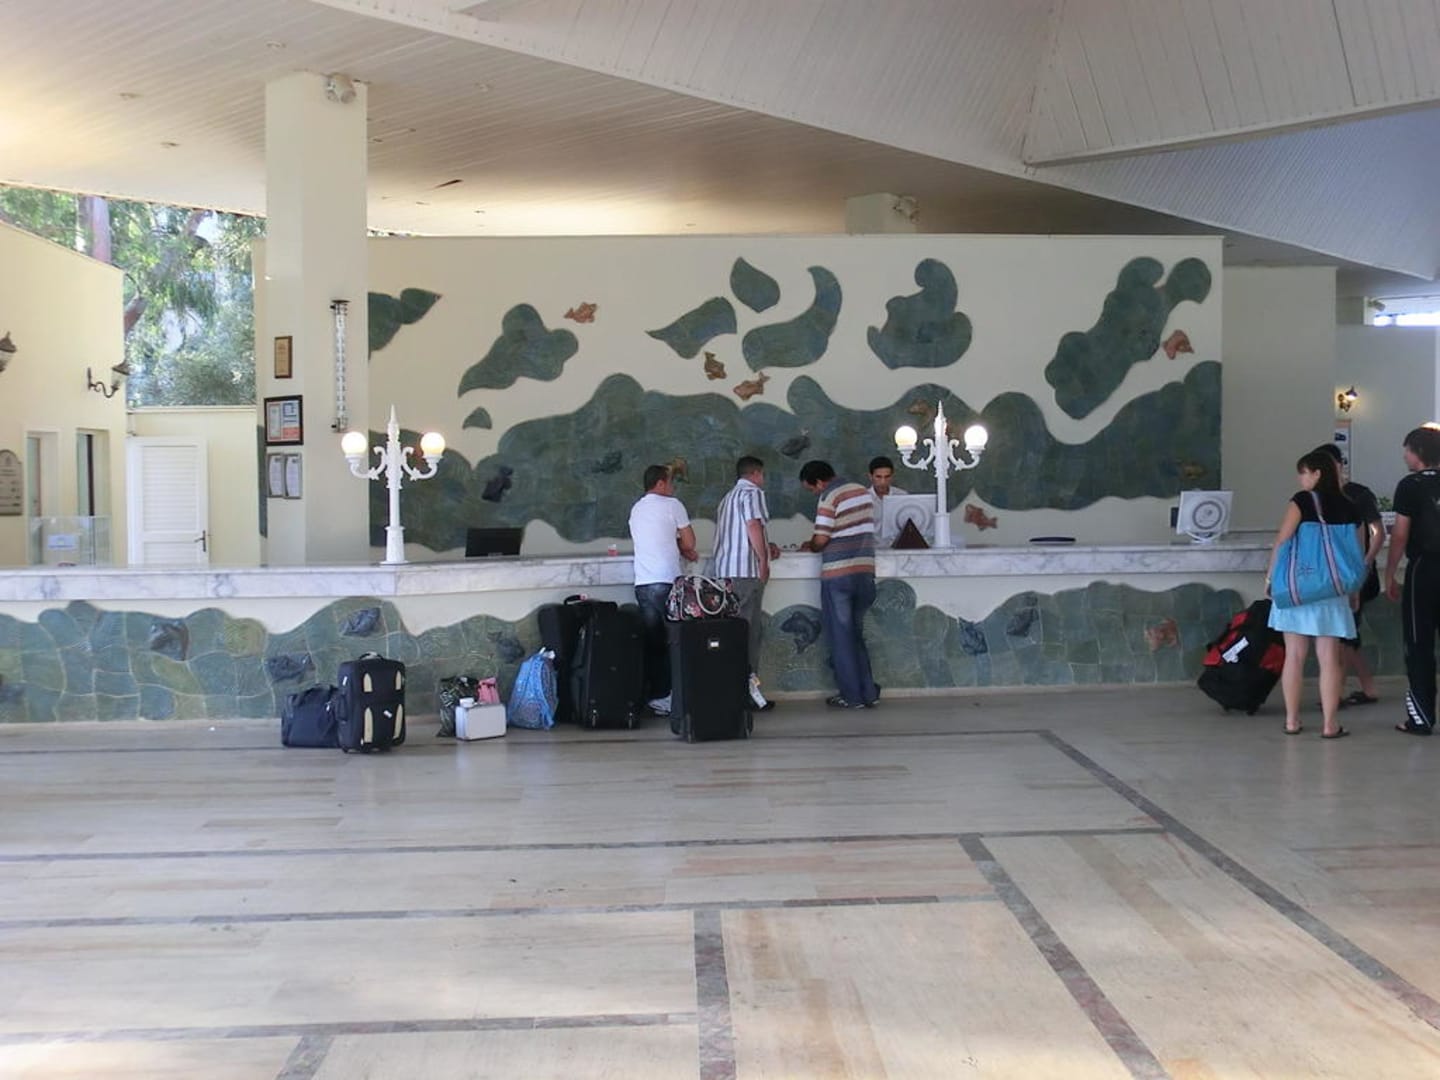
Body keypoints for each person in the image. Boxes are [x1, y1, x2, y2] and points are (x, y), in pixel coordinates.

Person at [1265, 449, 1365, 739]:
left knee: (1294, 656)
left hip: (1298, 587)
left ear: (1317, 474)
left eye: (1304, 473)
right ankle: (1330, 724)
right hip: (1332, 590)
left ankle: (1292, 721)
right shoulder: (1350, 506)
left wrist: (1271, 578)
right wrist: (1354, 590)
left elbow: (1282, 540)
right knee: (1329, 658)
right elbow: (1356, 554)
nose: (1301, 479)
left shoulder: (1302, 500)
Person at [799, 460, 880, 709]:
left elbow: (822, 538)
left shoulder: (829, 496)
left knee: (841, 638)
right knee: (856, 635)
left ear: (819, 482)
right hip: (865, 571)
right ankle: (869, 693)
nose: (815, 493)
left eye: (811, 489)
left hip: (839, 574)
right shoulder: (862, 491)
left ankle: (851, 696)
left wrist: (810, 545)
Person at [1313, 443, 1384, 707]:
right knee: (1347, 635)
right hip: (1335, 575)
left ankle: (1337, 693)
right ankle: (1366, 687)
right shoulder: (1318, 497)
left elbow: (1378, 532)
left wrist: (1365, 564)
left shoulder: (1358, 494)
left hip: (1356, 576)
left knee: (1344, 635)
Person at [628, 464, 697, 716]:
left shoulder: (636, 509)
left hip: (643, 583)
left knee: (654, 643)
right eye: (670, 482)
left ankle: (658, 696)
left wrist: (674, 543)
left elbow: (654, 539)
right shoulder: (672, 505)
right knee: (676, 641)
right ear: (660, 483)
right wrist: (682, 547)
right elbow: (690, 542)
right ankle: (675, 696)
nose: (673, 487)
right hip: (667, 582)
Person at [712, 456, 780, 712]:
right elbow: (752, 525)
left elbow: (738, 533)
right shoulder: (752, 493)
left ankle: (730, 690)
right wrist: (763, 559)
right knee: (748, 635)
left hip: (726, 574)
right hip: (746, 573)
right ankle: (747, 693)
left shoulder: (727, 498)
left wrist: (767, 544)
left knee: (732, 633)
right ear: (756, 474)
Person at [1385, 426, 1440, 735]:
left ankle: (1421, 717)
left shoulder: (1410, 485)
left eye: (1407, 450)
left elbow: (1400, 534)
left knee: (1419, 642)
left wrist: (1390, 572)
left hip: (1425, 570)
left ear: (1418, 452)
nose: (1405, 456)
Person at [867, 456, 908, 544]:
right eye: (878, 477)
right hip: (872, 547)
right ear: (870, 477)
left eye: (887, 477)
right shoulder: (863, 499)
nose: (883, 482)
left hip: (898, 547)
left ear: (892, 476)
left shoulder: (902, 496)